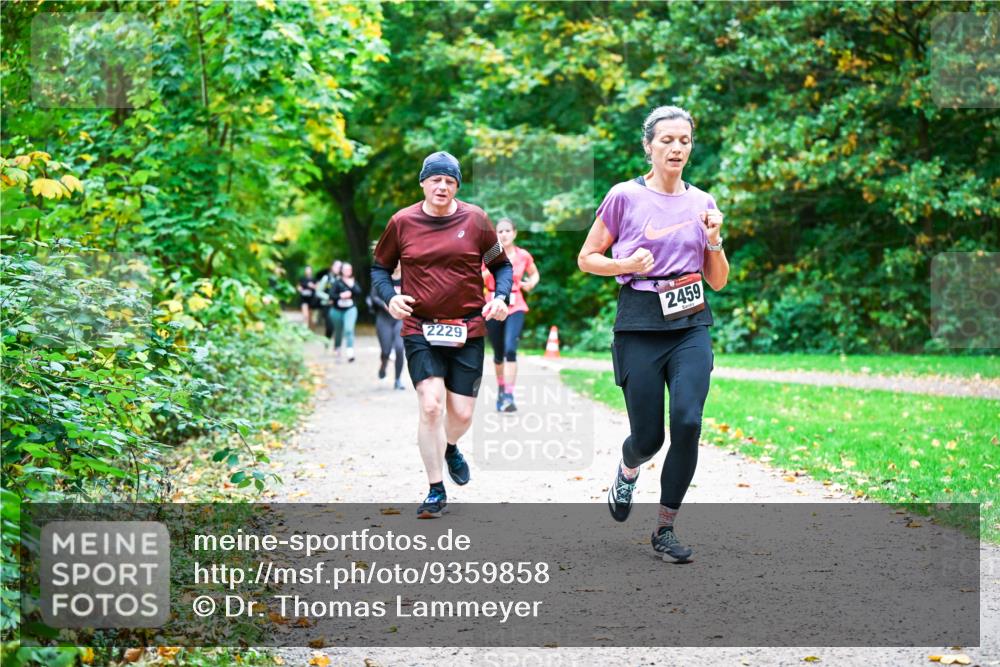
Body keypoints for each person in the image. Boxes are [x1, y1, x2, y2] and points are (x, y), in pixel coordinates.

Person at [577, 106, 729, 562]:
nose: (676, 148)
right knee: (649, 438)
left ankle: (665, 528)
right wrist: (624, 264)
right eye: (667, 140)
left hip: (690, 322)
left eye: (684, 140)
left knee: (687, 422)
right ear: (649, 146)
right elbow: (587, 258)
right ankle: (627, 470)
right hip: (640, 321)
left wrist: (716, 241)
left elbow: (718, 280)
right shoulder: (624, 196)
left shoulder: (703, 202)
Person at [371, 150, 513, 519]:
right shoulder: (402, 222)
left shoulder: (477, 220)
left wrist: (500, 297)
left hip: (467, 327)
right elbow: (379, 270)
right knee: (431, 405)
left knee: (462, 413)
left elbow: (502, 266)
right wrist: (390, 297)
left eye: (450, 181)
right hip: (420, 326)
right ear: (423, 183)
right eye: (435, 179)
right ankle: (435, 489)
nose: (442, 186)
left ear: (457, 186)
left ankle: (450, 446)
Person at [481, 218, 540, 412]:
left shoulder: (523, 255)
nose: (504, 234)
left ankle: (509, 394)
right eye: (500, 231)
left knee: (510, 349)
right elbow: (476, 276)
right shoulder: (490, 254)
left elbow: (534, 274)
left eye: (507, 231)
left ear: (514, 233)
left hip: (516, 305)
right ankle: (501, 388)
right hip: (493, 305)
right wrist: (492, 271)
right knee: (498, 354)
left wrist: (531, 283)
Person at [371, 262, 407, 390]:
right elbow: (373, 296)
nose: (397, 264)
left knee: (399, 348)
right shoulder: (383, 277)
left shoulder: (407, 278)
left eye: (399, 261)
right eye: (394, 261)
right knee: (386, 351)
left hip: (400, 319)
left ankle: (397, 380)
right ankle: (384, 364)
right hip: (384, 318)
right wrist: (385, 304)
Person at [329, 262, 362, 362]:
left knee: (349, 329)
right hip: (337, 311)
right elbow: (331, 296)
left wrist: (352, 285)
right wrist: (341, 296)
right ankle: (337, 347)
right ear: (342, 271)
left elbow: (359, 293)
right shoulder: (337, 282)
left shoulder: (353, 281)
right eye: (346, 269)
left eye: (350, 269)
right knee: (338, 330)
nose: (348, 271)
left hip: (350, 309)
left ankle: (350, 352)